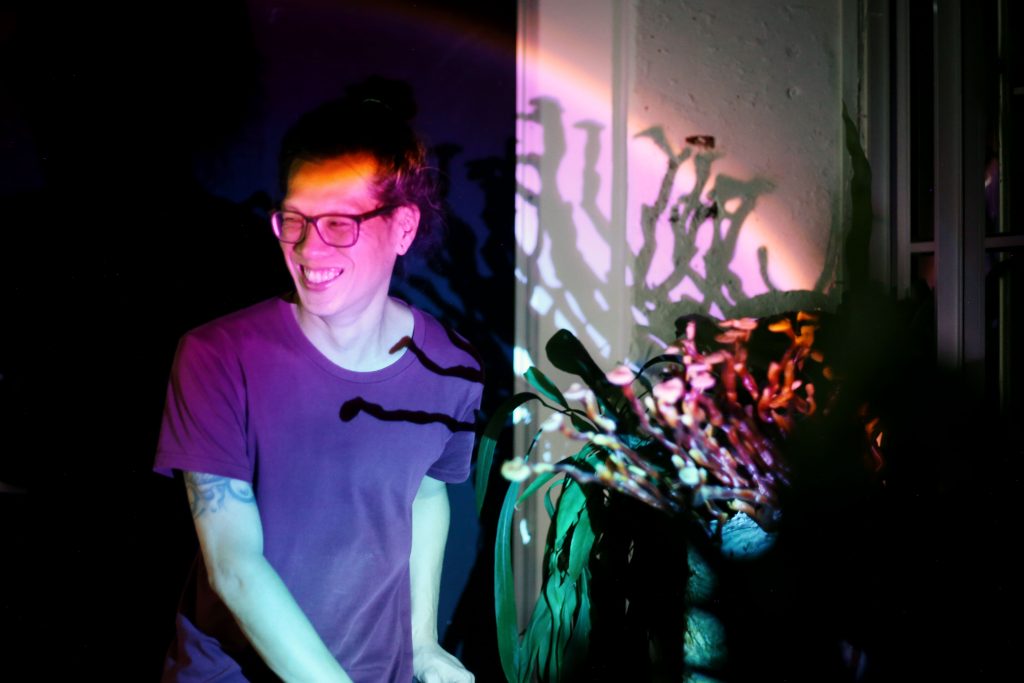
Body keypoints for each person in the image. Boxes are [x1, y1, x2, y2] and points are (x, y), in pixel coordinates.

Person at [154, 80, 483, 682]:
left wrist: (422, 644)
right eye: (295, 220)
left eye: (338, 222)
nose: (308, 248)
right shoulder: (216, 357)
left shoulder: (452, 369)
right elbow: (233, 565)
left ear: (403, 228)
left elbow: (425, 494)